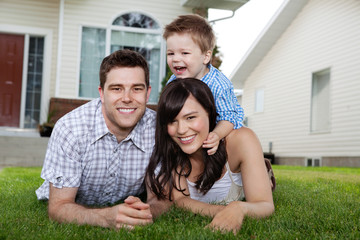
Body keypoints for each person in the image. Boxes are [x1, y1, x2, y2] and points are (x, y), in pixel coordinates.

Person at [36, 49, 169, 229]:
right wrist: (106, 217)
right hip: (73, 198)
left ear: (147, 93)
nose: (127, 98)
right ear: (101, 93)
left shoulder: (159, 130)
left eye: (137, 89)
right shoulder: (71, 129)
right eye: (116, 89)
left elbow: (161, 199)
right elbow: (58, 207)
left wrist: (141, 213)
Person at [146, 78, 274, 234]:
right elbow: (180, 200)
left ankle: (264, 168)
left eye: (190, 117)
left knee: (263, 181)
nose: (181, 129)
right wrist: (221, 211)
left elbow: (264, 204)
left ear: (210, 112)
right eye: (173, 121)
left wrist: (238, 208)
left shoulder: (241, 140)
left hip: (240, 163)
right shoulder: (171, 146)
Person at [164, 14, 244, 155]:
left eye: (184, 53)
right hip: (188, 136)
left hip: (222, 135)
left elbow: (228, 118)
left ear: (206, 57)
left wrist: (217, 135)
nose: (176, 59)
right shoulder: (174, 81)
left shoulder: (219, 85)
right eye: (171, 54)